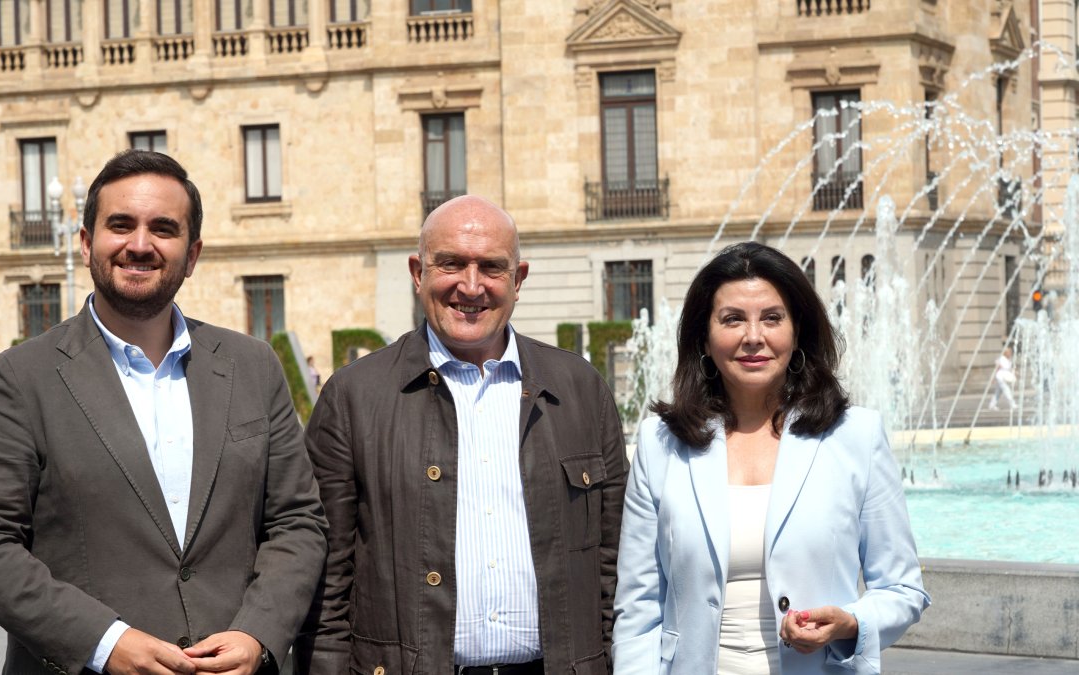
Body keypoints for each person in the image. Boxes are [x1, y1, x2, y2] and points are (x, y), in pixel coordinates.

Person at [0, 150, 328, 675]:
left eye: (163, 229)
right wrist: (104, 643)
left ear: (191, 256)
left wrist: (258, 632)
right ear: (85, 243)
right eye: (120, 225)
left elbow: (298, 522)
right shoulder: (19, 380)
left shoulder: (252, 366)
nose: (140, 245)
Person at [295, 195, 627, 675]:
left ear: (519, 279)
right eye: (451, 264)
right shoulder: (353, 398)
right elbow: (327, 581)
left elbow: (616, 561)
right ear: (417, 272)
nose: (470, 287)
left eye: (491, 268)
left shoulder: (579, 389)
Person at [612, 242, 928, 675]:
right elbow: (638, 605)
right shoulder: (659, 443)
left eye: (772, 318)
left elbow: (902, 588)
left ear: (797, 331)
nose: (753, 336)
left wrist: (851, 623)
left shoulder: (857, 436)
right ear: (704, 337)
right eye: (733, 319)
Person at [988, 346, 1016, 411]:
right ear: (1005, 353)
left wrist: (1015, 373)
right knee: (1007, 390)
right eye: (1009, 352)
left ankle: (992, 405)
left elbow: (1009, 369)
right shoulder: (1001, 359)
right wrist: (993, 378)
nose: (1010, 354)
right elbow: (997, 369)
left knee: (998, 392)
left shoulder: (1008, 360)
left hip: (1004, 377)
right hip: (1000, 377)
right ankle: (1012, 404)